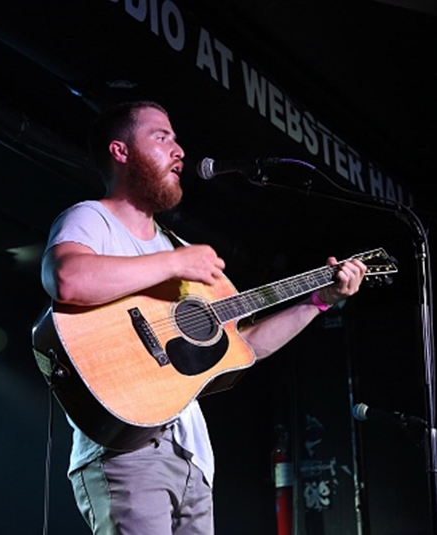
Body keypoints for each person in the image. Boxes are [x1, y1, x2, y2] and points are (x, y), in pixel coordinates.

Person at [40, 100, 367, 534]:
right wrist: (175, 265)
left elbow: (244, 347)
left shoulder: (177, 247)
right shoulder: (92, 218)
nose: (179, 150)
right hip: (128, 448)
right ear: (121, 152)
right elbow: (67, 278)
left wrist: (318, 300)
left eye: (176, 138)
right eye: (162, 137)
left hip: (192, 457)